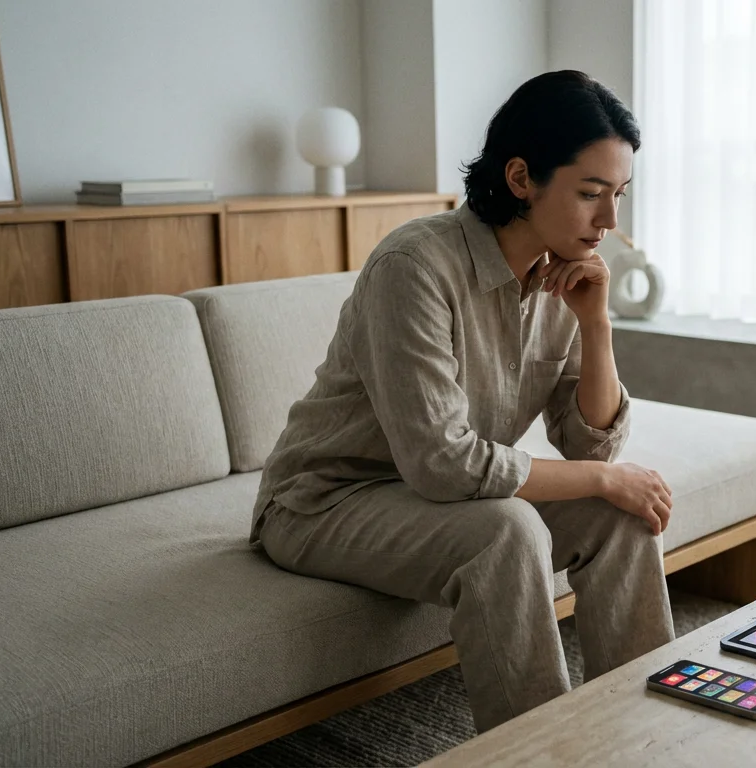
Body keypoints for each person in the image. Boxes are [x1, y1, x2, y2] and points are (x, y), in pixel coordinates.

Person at [248, 70, 677, 733]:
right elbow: (442, 465)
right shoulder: (413, 268)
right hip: (325, 500)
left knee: (617, 514)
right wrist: (601, 476)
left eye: (619, 194)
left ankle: (650, 736)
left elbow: (591, 442)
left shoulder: (563, 275)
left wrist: (597, 325)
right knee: (509, 530)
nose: (610, 221)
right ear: (519, 179)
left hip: (433, 496)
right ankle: (541, 754)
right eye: (591, 193)